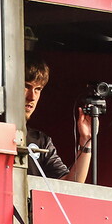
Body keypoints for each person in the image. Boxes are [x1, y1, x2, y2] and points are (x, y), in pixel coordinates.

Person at [24, 52, 93, 182]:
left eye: (38, 89)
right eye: (26, 86)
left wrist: (86, 140)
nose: (32, 97)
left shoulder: (41, 141)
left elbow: (71, 185)